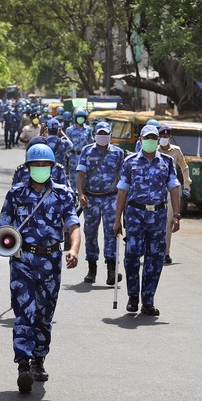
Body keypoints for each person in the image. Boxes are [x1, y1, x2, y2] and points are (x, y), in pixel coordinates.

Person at [0, 144, 80, 392]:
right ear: (28, 168)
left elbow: (73, 226)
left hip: (51, 263)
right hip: (22, 262)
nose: (40, 169)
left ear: (51, 167)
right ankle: (23, 365)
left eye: (44, 165)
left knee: (44, 315)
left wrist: (74, 249)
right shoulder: (15, 194)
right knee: (24, 314)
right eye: (35, 165)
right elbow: (1, 231)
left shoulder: (62, 194)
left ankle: (39, 359)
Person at [114, 125, 181, 316]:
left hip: (158, 217)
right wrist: (117, 219)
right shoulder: (130, 162)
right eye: (148, 138)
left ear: (158, 139)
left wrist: (176, 215)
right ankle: (133, 296)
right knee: (132, 256)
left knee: (155, 259)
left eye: (154, 137)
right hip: (135, 215)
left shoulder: (167, 163)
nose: (151, 141)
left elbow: (174, 189)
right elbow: (122, 191)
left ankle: (148, 300)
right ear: (141, 140)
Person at [77, 121, 125, 284]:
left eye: (106, 134)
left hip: (111, 197)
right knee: (90, 232)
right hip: (91, 198)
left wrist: (122, 199)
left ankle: (112, 269)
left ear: (110, 135)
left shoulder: (118, 153)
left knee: (112, 232)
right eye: (100, 134)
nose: (103, 137)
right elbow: (80, 174)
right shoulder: (87, 151)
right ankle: (92, 268)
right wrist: (80, 194)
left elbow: (123, 177)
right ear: (95, 135)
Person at [157, 125, 191, 264]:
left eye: (166, 136)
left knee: (167, 224)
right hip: (155, 190)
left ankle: (165, 252)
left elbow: (184, 168)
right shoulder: (154, 150)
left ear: (170, 137)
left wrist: (186, 185)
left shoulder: (176, 151)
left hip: (171, 192)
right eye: (162, 136)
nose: (164, 139)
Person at [65, 108, 93, 192]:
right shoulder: (69, 130)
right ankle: (73, 197)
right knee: (73, 178)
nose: (80, 119)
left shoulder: (88, 130)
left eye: (82, 117)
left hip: (84, 157)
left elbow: (90, 143)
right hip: (73, 156)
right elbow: (66, 144)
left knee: (84, 177)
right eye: (79, 117)